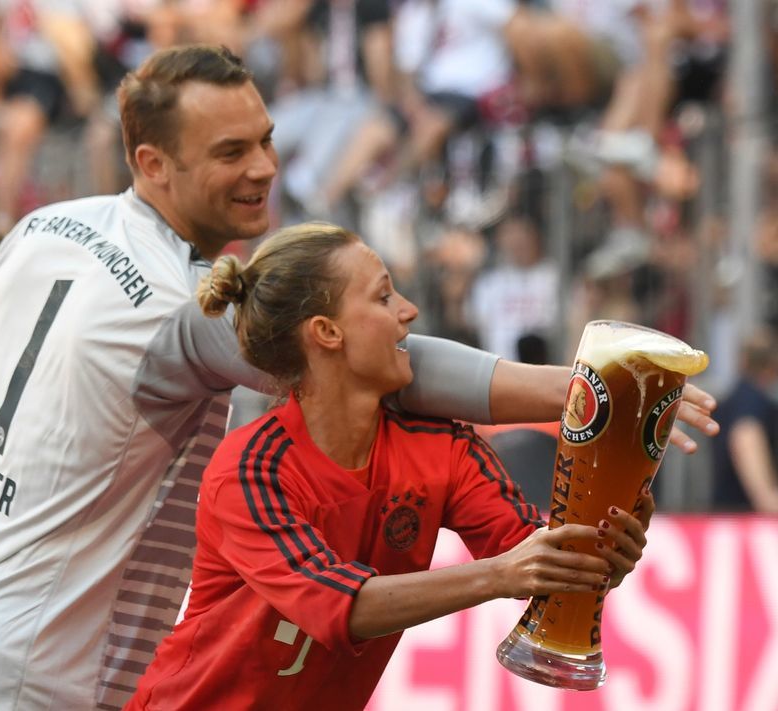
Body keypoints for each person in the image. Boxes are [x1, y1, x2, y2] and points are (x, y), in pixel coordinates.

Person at [0, 44, 717, 711]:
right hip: (26, 668)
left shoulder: (45, 229)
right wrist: (584, 392)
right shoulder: (178, 313)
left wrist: (58, 423)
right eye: (231, 151)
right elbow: (370, 365)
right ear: (150, 162)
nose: (266, 168)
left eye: (267, 138)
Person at [127, 222, 651, 709]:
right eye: (383, 297)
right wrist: (500, 575)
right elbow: (340, 607)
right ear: (326, 333)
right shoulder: (250, 468)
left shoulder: (441, 445)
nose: (409, 311)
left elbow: (532, 556)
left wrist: (601, 548)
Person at [711, 330, 778, 513]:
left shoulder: (730, 401)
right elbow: (745, 436)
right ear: (773, 365)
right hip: (746, 522)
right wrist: (767, 498)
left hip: (724, 517)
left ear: (743, 361)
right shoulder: (754, 401)